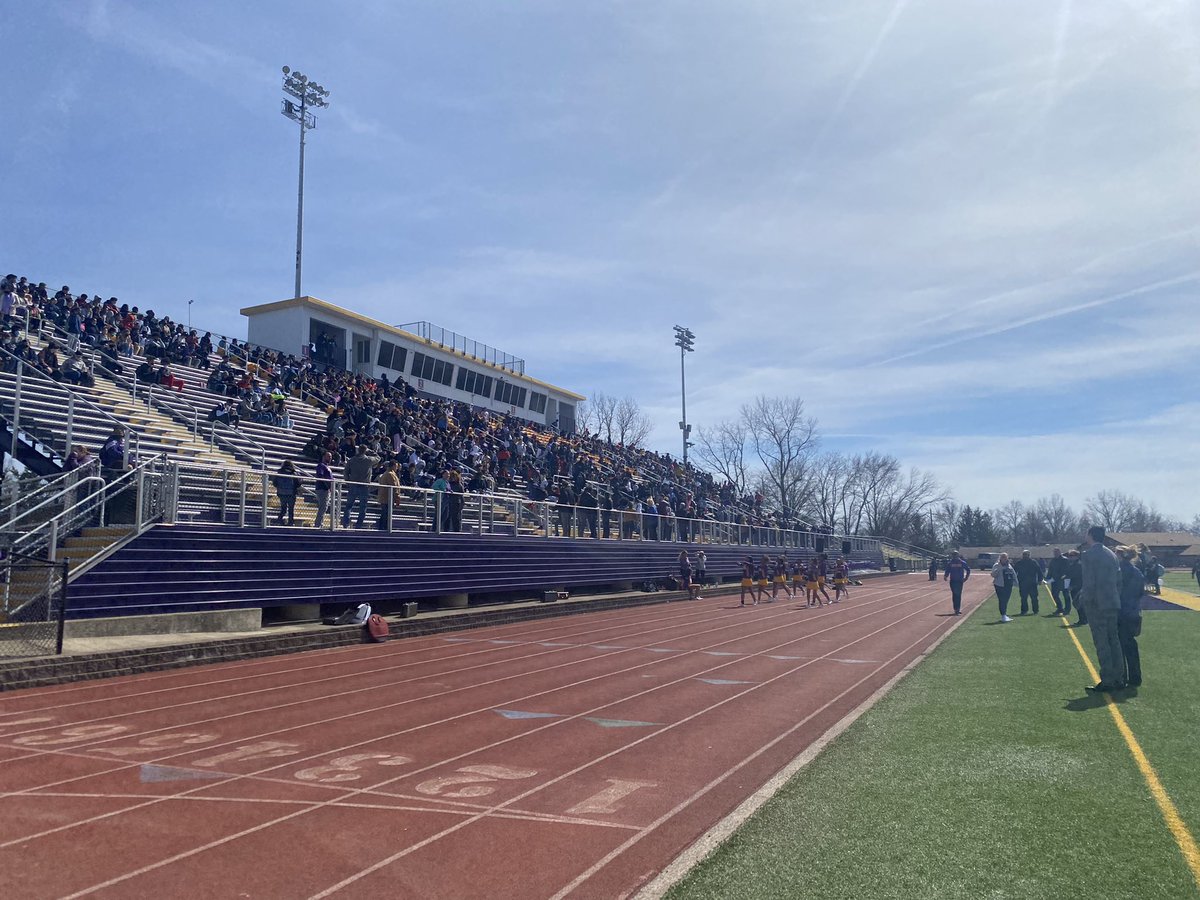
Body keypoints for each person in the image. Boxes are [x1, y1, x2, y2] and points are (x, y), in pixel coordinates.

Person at [1079, 526, 1125, 692]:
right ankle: (1119, 678)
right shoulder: (1112, 554)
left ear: (1091, 535)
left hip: (1097, 605)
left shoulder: (1089, 555)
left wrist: (1086, 600)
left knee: (1102, 642)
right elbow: (1119, 581)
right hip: (1112, 602)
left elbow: (1089, 581)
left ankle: (1107, 680)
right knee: (1114, 640)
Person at [1117, 546, 1144, 688]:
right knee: (1131, 646)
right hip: (1133, 613)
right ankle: (1135, 677)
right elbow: (1140, 592)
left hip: (1121, 613)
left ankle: (1121, 677)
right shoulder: (1137, 572)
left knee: (1119, 647)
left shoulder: (1119, 571)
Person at [341, 445, 378, 529]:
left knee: (349, 506)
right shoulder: (368, 460)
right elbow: (378, 457)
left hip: (353, 485)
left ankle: (345, 524)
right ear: (365, 451)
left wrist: (347, 481)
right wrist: (370, 451)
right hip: (364, 486)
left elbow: (346, 472)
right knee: (362, 507)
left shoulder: (352, 460)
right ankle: (358, 525)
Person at [1014, 550, 1042, 616]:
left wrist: (1040, 580)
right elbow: (1014, 572)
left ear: (1029, 555)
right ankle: (1024, 611)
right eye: (1024, 554)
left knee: (1034, 598)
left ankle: (1035, 611)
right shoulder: (1019, 562)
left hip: (1032, 583)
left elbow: (1039, 571)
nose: (1025, 555)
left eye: (1026, 554)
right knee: (1023, 598)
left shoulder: (1033, 562)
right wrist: (1015, 581)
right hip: (1022, 583)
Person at [991, 553, 1018, 622]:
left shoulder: (1009, 565)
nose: (1004, 559)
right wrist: (1000, 568)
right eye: (1003, 557)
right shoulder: (996, 565)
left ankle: (1005, 614)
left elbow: (1013, 574)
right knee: (1002, 600)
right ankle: (1003, 615)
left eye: (1006, 557)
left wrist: (1016, 582)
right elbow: (993, 574)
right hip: (999, 585)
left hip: (1008, 585)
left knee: (1006, 600)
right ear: (1000, 558)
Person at [376, 460, 401, 530]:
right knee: (386, 514)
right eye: (396, 466)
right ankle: (384, 528)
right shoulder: (389, 474)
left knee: (385, 514)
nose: (397, 468)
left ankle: (383, 527)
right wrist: (397, 496)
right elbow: (394, 485)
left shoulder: (390, 473)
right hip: (387, 497)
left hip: (387, 497)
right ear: (392, 466)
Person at [944, 551, 970, 615]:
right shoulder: (950, 563)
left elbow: (968, 569)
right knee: (955, 594)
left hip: (959, 581)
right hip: (953, 581)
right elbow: (947, 570)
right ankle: (956, 609)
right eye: (953, 555)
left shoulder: (962, 562)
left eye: (955, 555)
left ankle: (957, 609)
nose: (954, 556)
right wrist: (945, 576)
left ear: (958, 555)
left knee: (958, 595)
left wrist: (966, 578)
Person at [272, 460, 298, 526]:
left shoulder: (279, 472)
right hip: (291, 493)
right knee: (291, 509)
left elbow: (274, 483)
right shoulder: (293, 473)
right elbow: (298, 482)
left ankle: (279, 519)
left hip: (281, 493)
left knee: (283, 509)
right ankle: (290, 522)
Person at [313, 451, 333, 529]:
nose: (330, 458)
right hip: (322, 489)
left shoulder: (327, 466)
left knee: (324, 507)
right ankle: (318, 524)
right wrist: (327, 485)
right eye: (328, 456)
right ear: (323, 456)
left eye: (331, 456)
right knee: (323, 507)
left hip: (326, 489)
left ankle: (320, 523)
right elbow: (320, 476)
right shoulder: (321, 466)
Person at [1064, 550, 1084, 624]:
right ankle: (1082, 619)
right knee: (1076, 603)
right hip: (1073, 587)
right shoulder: (1071, 564)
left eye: (1072, 556)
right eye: (1069, 556)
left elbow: (1078, 578)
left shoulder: (1078, 565)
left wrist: (1073, 586)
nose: (1070, 557)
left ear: (1076, 556)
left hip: (1078, 587)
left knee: (1079, 604)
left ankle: (1083, 620)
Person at [1046, 548, 1069, 615]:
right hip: (1054, 581)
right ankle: (1060, 608)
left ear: (1060, 552)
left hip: (1063, 580)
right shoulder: (1053, 560)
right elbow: (1050, 570)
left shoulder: (1065, 560)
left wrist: (1061, 577)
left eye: (1057, 552)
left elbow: (1066, 570)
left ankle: (1067, 610)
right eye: (1054, 552)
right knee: (1054, 595)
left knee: (1066, 595)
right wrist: (1048, 578)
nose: (1055, 554)